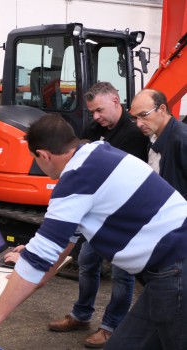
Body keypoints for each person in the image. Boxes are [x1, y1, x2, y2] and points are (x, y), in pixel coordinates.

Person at [0, 113, 187, 350]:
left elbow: (41, 257)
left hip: (176, 267)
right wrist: (35, 270)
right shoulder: (97, 152)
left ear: (42, 155)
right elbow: (63, 242)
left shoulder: (75, 179)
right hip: (170, 267)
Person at [47, 82, 148, 348]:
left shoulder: (135, 134)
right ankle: (81, 315)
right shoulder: (95, 128)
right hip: (98, 215)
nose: (96, 117)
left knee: (122, 274)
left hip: (125, 218)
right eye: (92, 112)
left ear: (116, 101)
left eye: (100, 110)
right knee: (87, 262)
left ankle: (111, 327)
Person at [130, 89, 187, 199]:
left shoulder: (182, 140)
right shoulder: (153, 137)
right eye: (135, 118)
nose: (138, 124)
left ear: (162, 109)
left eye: (144, 115)